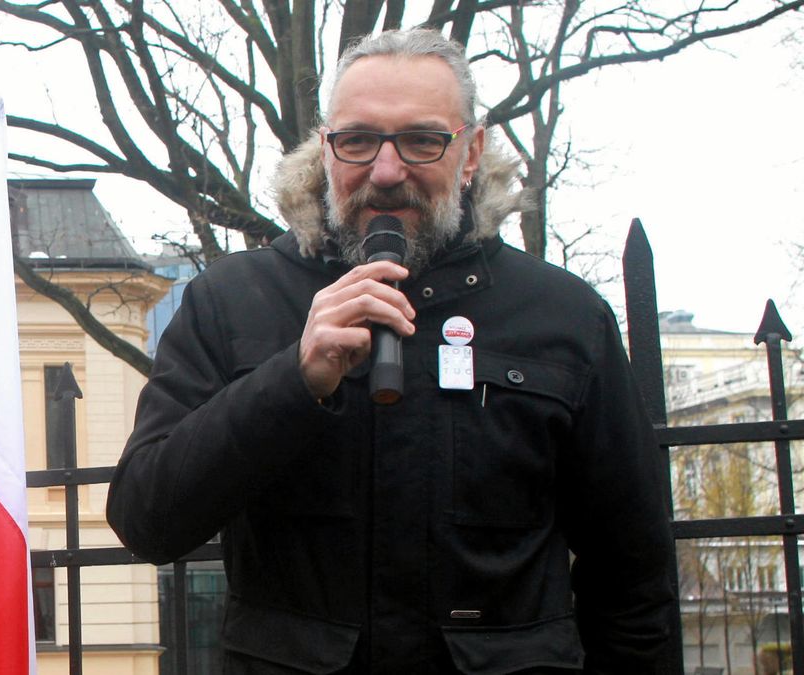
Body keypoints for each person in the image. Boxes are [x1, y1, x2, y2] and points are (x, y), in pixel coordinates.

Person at [107, 27, 674, 674]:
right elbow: (145, 517)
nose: (385, 170)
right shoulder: (231, 300)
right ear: (325, 149)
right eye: (357, 140)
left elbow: (634, 586)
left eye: (421, 140)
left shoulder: (563, 316)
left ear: (470, 153)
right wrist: (292, 381)